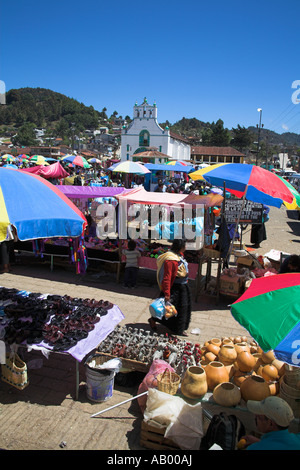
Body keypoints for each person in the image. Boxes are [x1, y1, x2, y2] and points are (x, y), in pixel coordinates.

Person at [148, 239, 191, 336]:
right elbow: (167, 277)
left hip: (183, 286)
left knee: (182, 309)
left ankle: (179, 329)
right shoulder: (170, 259)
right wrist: (167, 293)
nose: (186, 247)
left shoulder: (179, 255)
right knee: (166, 308)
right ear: (180, 247)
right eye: (185, 245)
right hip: (174, 288)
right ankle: (153, 320)